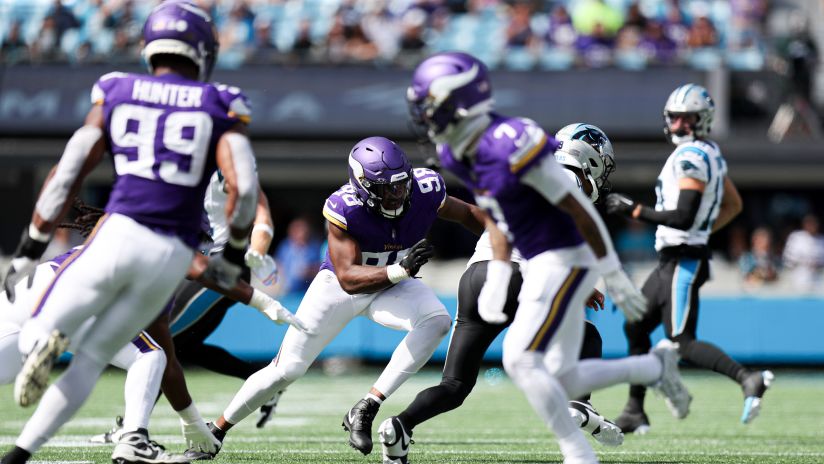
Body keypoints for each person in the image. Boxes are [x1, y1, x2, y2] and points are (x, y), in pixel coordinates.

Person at [398, 51, 691, 464]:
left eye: (432, 105)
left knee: (520, 360)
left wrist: (610, 273)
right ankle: (653, 369)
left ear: (462, 102)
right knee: (561, 373)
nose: (426, 116)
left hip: (562, 257)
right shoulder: (454, 152)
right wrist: (498, 272)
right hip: (534, 260)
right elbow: (497, 217)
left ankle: (580, 453)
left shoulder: (517, 142)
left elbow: (580, 212)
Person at [0, 3, 260, 463]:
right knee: (114, 357)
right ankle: (33, 452)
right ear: (202, 51)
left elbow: (71, 167)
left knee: (46, 322)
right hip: (170, 254)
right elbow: (244, 186)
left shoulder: (118, 88)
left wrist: (30, 245)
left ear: (149, 48)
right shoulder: (220, 101)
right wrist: (234, 253)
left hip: (118, 231)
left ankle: (42, 333)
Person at [185, 136, 488, 460]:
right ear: (362, 186)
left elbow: (470, 214)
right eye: (386, 188)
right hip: (341, 289)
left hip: (392, 283)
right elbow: (347, 277)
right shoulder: (344, 207)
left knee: (437, 321)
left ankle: (368, 405)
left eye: (400, 184)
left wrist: (508, 237)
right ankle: (215, 432)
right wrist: (400, 270)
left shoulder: (426, 189)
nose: (396, 193)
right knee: (286, 369)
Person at [377, 122, 625, 464]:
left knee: (454, 386)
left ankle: (400, 425)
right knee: (587, 334)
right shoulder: (566, 182)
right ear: (589, 158)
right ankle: (579, 402)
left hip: (476, 276)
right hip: (515, 274)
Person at [605, 83, 774, 433]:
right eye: (675, 118)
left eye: (687, 118)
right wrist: (701, 230)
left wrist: (633, 210)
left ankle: (748, 377)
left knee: (682, 340)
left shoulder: (691, 157)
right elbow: (733, 205)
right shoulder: (709, 153)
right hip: (673, 258)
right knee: (635, 324)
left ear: (703, 120)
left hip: (683, 260)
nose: (679, 125)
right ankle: (635, 410)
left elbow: (682, 216)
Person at [274, 216, 322, 295]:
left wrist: (309, 271)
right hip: (286, 293)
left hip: (306, 293)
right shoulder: (285, 247)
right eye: (296, 231)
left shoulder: (314, 248)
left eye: (302, 231)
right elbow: (278, 265)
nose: (300, 234)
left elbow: (322, 268)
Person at [781, 213, 824, 292]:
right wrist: (804, 262)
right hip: (798, 279)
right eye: (809, 223)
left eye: (814, 224)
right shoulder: (796, 237)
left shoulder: (822, 240)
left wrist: (817, 264)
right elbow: (787, 260)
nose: (811, 226)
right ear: (804, 225)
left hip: (818, 280)